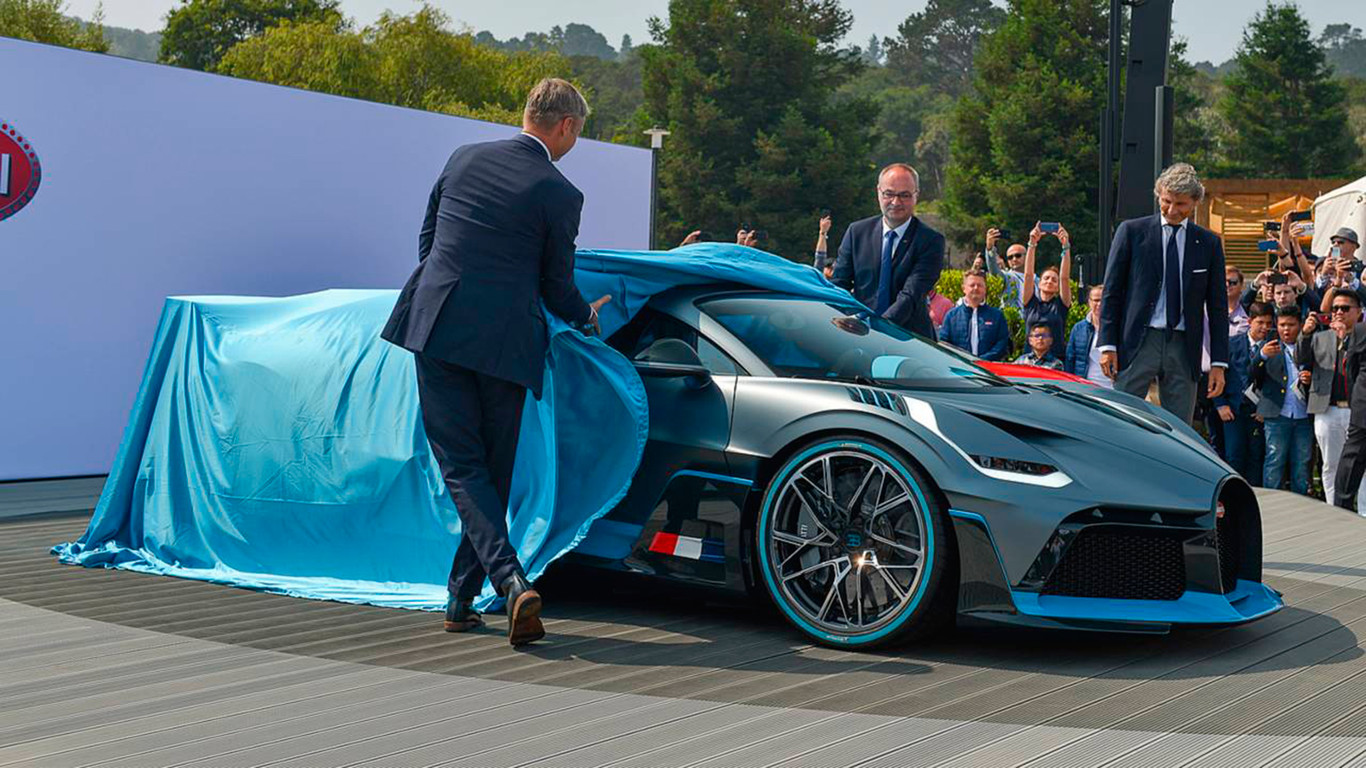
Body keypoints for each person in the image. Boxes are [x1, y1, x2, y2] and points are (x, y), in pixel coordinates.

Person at [381, 78, 611, 647]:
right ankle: (503, 583)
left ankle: (465, 597)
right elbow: (557, 286)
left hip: (438, 326)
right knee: (490, 471)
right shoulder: (561, 194)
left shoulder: (464, 158)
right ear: (566, 126)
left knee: (464, 467)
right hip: (506, 345)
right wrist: (587, 315)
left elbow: (428, 242)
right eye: (577, 133)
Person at [1098, 163, 1229, 425]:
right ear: (1158, 195)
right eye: (1166, 201)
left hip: (1184, 345)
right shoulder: (1132, 232)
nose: (1171, 210)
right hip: (1138, 340)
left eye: (1180, 204)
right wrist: (1108, 345)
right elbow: (1112, 291)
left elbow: (1217, 307)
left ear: (1195, 203)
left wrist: (1218, 362)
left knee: (1179, 427)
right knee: (1119, 419)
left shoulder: (1209, 243)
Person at [831, 163, 946, 339]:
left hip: (909, 340)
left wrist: (876, 328)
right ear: (878, 192)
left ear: (916, 196)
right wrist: (848, 319)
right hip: (857, 335)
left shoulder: (930, 241)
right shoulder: (857, 232)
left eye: (904, 195)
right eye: (889, 194)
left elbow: (911, 294)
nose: (896, 202)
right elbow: (839, 284)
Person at [1299, 289, 1363, 501]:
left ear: (1358, 312)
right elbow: (1301, 359)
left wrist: (1346, 339)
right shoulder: (1320, 337)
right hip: (1328, 408)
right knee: (1331, 463)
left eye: (1345, 308)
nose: (1339, 313)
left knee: (1361, 463)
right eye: (1335, 308)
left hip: (1358, 410)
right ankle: (1333, 508)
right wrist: (1306, 333)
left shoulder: (1361, 336)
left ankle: (1363, 512)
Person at [1253, 307, 1313, 495]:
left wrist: (1310, 379)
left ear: (1300, 325)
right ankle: (1271, 503)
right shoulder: (1269, 347)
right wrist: (1261, 356)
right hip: (1276, 414)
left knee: (1302, 463)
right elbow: (1251, 375)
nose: (1286, 329)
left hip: (1304, 415)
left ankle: (1302, 503)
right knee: (1274, 460)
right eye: (1282, 325)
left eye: (1291, 325)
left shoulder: (1310, 346)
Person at [1216, 302, 1274, 485]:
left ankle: (1257, 498)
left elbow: (1277, 381)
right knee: (1234, 456)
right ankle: (1233, 496)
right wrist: (1220, 404)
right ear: (1250, 321)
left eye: (1268, 323)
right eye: (1260, 322)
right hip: (1233, 409)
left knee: (1256, 456)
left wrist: (1266, 408)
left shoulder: (1274, 347)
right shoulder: (1231, 343)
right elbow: (1216, 373)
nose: (1264, 328)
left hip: (1258, 413)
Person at [1020, 222, 1073, 348]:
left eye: (1054, 280)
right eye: (1046, 278)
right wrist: (1032, 244)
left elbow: (1064, 278)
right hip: (1030, 360)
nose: (1049, 281)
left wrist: (1065, 246)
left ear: (1057, 286)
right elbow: (1028, 275)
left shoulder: (1061, 305)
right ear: (1039, 283)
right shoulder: (1030, 303)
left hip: (1055, 360)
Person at [939, 270, 1010, 361]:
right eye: (972, 285)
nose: (976, 288)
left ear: (985, 289)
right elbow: (944, 343)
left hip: (989, 369)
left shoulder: (997, 316)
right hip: (960, 368)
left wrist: (982, 361)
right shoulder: (952, 316)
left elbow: (1002, 343)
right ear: (964, 288)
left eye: (980, 285)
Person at [1065, 285, 1113, 388]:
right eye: (1096, 300)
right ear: (1089, 302)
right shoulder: (1078, 329)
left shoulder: (1118, 328)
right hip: (1086, 387)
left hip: (1112, 387)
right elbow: (1070, 359)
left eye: (1102, 300)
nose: (1099, 304)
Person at [983, 228, 1026, 310]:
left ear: (1027, 256)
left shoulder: (1037, 280)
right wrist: (990, 248)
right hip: (1012, 320)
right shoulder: (1007, 277)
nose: (1014, 259)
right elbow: (994, 270)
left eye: (1018, 255)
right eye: (1010, 257)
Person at [1226, 266, 1250, 338]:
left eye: (1232, 282)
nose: (1227, 285)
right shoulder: (1207, 310)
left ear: (1241, 285)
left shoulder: (1249, 309)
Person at [813, 213, 835, 278]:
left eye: (833, 268)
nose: (830, 270)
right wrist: (822, 232)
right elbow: (820, 255)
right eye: (828, 267)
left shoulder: (840, 285)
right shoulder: (818, 279)